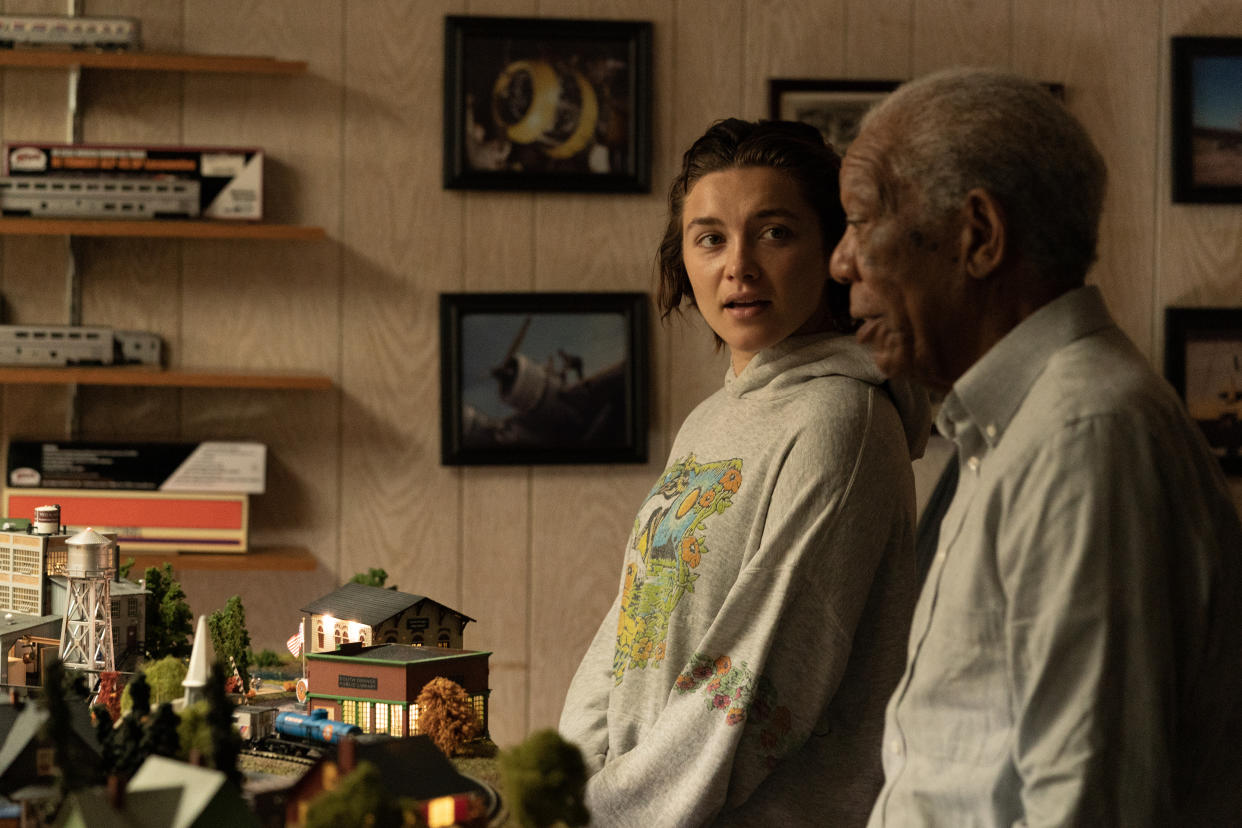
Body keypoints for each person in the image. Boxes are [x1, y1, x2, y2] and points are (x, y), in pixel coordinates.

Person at [829, 67, 1242, 826]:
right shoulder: (1015, 429)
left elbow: (1091, 803)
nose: (841, 261)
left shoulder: (1086, 438)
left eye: (861, 220)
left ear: (979, 237)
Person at [557, 118, 931, 826]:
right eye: (710, 238)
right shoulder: (709, 421)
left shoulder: (840, 424)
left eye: (775, 232)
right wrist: (563, 781)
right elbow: (634, 621)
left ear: (834, 252)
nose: (739, 267)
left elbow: (758, 680)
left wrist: (607, 813)